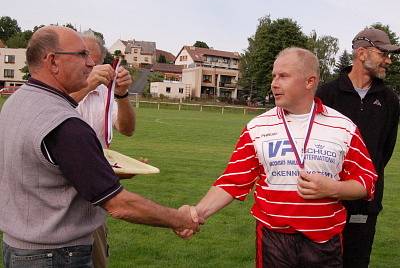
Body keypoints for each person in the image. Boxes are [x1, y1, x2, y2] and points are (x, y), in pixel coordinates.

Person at [0, 25, 199, 268]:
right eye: (82, 55)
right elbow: (119, 204)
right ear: (53, 62)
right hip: (57, 256)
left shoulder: (16, 102)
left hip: (18, 248)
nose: (90, 64)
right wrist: (178, 219)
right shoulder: (65, 123)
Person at [179, 47, 377, 267]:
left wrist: (333, 189)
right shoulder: (257, 127)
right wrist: (197, 213)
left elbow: (366, 182)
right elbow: (233, 181)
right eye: (274, 76)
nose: (274, 83)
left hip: (325, 241)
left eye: (283, 76)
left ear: (309, 82)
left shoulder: (343, 127)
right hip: (274, 240)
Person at [316, 28, 400, 268]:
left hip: (365, 203)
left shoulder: (389, 100)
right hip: (325, 201)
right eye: (383, 53)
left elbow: (384, 152)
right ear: (361, 53)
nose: (389, 60)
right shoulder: (326, 95)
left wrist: (363, 183)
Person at [70, 31, 135, 268]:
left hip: (94, 197)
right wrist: (88, 85)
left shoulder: (105, 93)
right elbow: (57, 107)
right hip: (59, 199)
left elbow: (127, 129)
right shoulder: (58, 90)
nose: (89, 64)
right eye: (83, 56)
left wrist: (122, 95)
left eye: (94, 60)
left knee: (97, 259)